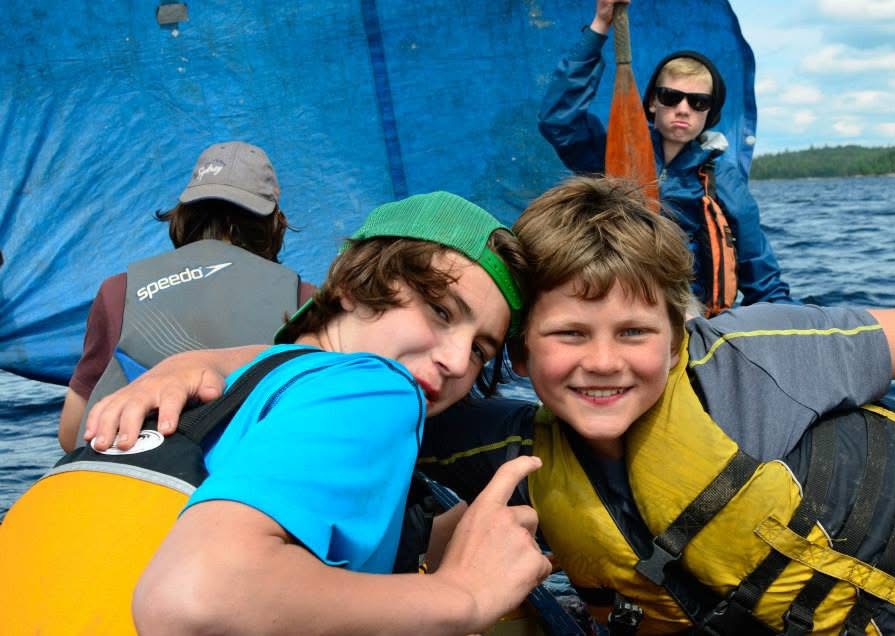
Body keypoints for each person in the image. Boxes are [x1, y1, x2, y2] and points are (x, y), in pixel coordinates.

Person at [100, 177, 895, 633]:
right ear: (518, 358)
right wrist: (199, 364)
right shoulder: (495, 444)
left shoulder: (750, 363)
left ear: (681, 329)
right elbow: (340, 364)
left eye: (635, 332)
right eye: (567, 334)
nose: (603, 364)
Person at [0, 191, 551, 635]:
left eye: (481, 348)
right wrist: (462, 594)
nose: (457, 361)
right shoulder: (378, 388)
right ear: (358, 288)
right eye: (439, 310)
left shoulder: (228, 382)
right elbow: (196, 598)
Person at [58, 140, 316, 452]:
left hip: (122, 473)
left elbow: (70, 431)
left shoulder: (118, 291)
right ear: (275, 222)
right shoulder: (306, 301)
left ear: (183, 214)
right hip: (235, 485)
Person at [538, 0, 794, 314]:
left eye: (698, 102)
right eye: (671, 97)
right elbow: (558, 120)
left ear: (708, 114)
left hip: (684, 312)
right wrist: (601, 25)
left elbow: (762, 278)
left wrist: (792, 330)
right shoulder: (610, 155)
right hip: (610, 295)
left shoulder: (723, 181)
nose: (683, 109)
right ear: (652, 105)